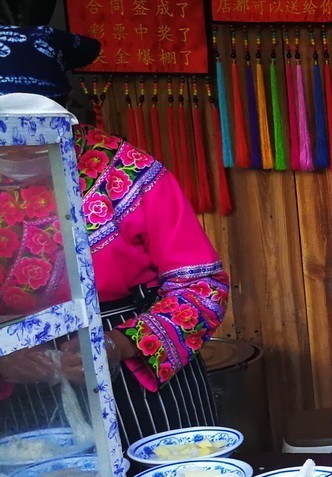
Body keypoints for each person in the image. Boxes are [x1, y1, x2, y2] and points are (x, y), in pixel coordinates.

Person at [0, 26, 229, 448]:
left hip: (140, 381)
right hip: (20, 398)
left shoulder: (127, 172)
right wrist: (4, 358)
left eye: (37, 134)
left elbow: (202, 287)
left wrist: (123, 343)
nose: (19, 150)